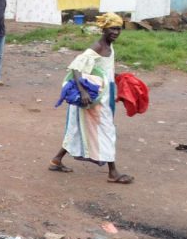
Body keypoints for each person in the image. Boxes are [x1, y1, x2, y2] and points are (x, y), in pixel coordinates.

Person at [48, 13, 133, 184]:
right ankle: (113, 172)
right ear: (104, 29)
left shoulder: (109, 47)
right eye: (113, 28)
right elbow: (76, 68)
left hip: (102, 97)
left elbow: (101, 69)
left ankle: (56, 160)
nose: (116, 32)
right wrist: (84, 92)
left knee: (77, 129)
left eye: (119, 29)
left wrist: (117, 77)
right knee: (107, 131)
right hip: (94, 101)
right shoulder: (98, 46)